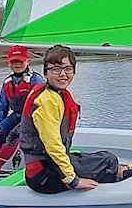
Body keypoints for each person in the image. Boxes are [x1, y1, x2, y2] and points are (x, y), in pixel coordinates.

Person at [19, 45, 120, 194]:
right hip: (43, 176)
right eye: (56, 69)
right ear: (45, 73)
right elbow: (53, 146)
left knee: (108, 159)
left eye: (68, 69)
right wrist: (73, 180)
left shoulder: (57, 95)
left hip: (50, 165)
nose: (63, 74)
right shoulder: (47, 101)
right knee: (108, 165)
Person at [0, 45, 45, 174]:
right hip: (16, 115)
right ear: (8, 62)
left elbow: (43, 105)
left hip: (32, 117)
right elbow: (2, 106)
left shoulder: (35, 79)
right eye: (14, 61)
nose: (17, 64)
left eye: (20, 61)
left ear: (28, 61)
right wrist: (0, 129)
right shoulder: (7, 82)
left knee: (14, 135)